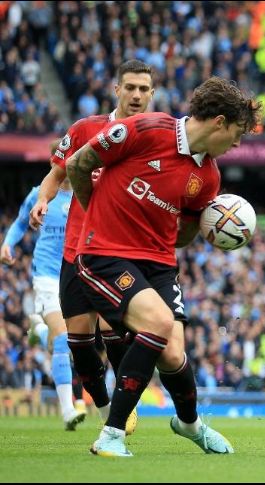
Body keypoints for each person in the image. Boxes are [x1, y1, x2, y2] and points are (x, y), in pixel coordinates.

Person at [66, 76, 263, 457]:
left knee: (173, 354)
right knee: (157, 323)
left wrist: (208, 229)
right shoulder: (145, 128)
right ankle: (111, 435)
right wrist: (98, 219)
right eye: (237, 133)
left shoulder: (208, 178)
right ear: (219, 122)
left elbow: (183, 235)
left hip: (158, 264)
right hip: (104, 254)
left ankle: (189, 425)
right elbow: (79, 164)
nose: (237, 144)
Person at [29, 59, 155, 434]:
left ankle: (122, 408)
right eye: (129, 87)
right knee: (80, 340)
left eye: (143, 89)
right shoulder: (86, 129)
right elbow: (56, 174)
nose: (136, 95)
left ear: (152, 94)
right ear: (116, 89)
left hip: (122, 253)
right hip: (77, 251)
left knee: (119, 333)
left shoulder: (154, 138)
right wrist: (43, 201)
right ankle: (106, 411)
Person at [1, 178, 87, 430]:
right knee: (62, 339)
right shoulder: (41, 194)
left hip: (75, 274)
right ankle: (68, 410)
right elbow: (19, 222)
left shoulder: (85, 193)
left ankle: (38, 331)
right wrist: (7, 244)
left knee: (73, 340)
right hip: (47, 275)